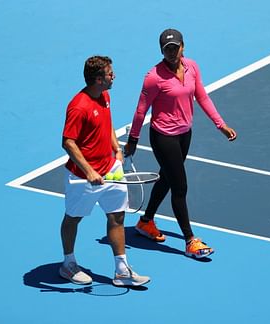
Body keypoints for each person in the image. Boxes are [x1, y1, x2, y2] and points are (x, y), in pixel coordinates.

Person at [124, 29, 237, 259]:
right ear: (161, 51)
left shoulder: (192, 67)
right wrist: (133, 139)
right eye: (167, 49)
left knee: (166, 178)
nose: (172, 52)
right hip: (163, 137)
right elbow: (140, 111)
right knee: (180, 186)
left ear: (183, 46)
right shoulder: (153, 77)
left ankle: (145, 222)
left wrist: (220, 125)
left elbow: (202, 96)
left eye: (175, 48)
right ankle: (190, 241)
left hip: (185, 134)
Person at [60, 55, 150, 287]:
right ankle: (68, 264)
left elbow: (107, 123)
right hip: (84, 177)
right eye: (110, 73)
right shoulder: (78, 107)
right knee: (73, 218)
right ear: (98, 79)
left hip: (111, 169)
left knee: (117, 216)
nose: (114, 76)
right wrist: (89, 171)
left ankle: (121, 271)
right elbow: (68, 142)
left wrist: (116, 148)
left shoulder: (104, 96)